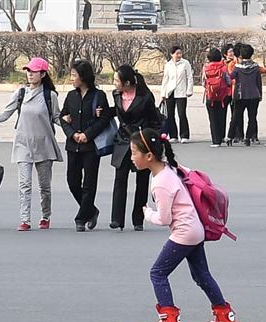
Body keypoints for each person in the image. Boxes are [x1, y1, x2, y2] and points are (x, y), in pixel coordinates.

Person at [131, 128, 247, 322]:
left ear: (149, 156)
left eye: (134, 153)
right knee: (202, 275)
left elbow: (164, 218)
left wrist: (147, 214)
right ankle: (225, 319)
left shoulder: (160, 182)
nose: (132, 158)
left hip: (184, 233)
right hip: (196, 230)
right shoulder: (171, 169)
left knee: (158, 272)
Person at [0, 58, 63, 231]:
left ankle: (45, 216)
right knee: (24, 185)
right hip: (23, 145)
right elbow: (5, 115)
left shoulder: (50, 96)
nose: (30, 74)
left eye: (34, 71)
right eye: (28, 71)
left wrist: (73, 125)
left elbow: (57, 118)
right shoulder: (20, 93)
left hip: (44, 145)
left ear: (43, 74)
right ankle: (25, 219)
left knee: (44, 187)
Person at [107, 65, 162, 232]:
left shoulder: (145, 97)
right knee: (120, 178)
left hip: (141, 141)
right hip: (122, 140)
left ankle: (138, 218)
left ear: (128, 82)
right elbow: (118, 113)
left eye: (117, 80)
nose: (114, 83)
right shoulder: (116, 94)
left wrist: (152, 140)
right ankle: (117, 219)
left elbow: (155, 120)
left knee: (142, 181)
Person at [60, 59, 110, 232]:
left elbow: (104, 119)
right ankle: (91, 210)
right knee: (72, 181)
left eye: (74, 75)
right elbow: (63, 117)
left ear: (83, 76)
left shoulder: (99, 96)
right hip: (73, 145)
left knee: (89, 183)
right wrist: (72, 134)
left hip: (91, 146)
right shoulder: (71, 96)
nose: (71, 78)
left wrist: (87, 135)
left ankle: (81, 218)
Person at [228, 44, 263, 146]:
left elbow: (230, 77)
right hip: (254, 95)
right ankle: (248, 137)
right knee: (252, 117)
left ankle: (230, 136)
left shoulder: (237, 68)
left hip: (240, 95)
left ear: (241, 55)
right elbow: (258, 82)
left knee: (236, 116)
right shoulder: (256, 67)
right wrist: (260, 94)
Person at [160, 46, 194, 144]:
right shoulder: (168, 65)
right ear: (172, 54)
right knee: (170, 115)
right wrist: (163, 93)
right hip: (170, 92)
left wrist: (189, 90)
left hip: (181, 92)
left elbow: (189, 77)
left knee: (181, 114)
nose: (179, 55)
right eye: (177, 53)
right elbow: (165, 79)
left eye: (180, 53)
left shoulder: (185, 63)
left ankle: (184, 135)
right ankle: (173, 135)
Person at [203, 48, 231, 147]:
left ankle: (215, 140)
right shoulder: (223, 67)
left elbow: (203, 82)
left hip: (210, 96)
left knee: (213, 118)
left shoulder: (206, 68)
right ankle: (222, 136)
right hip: (223, 95)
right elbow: (228, 81)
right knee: (222, 116)